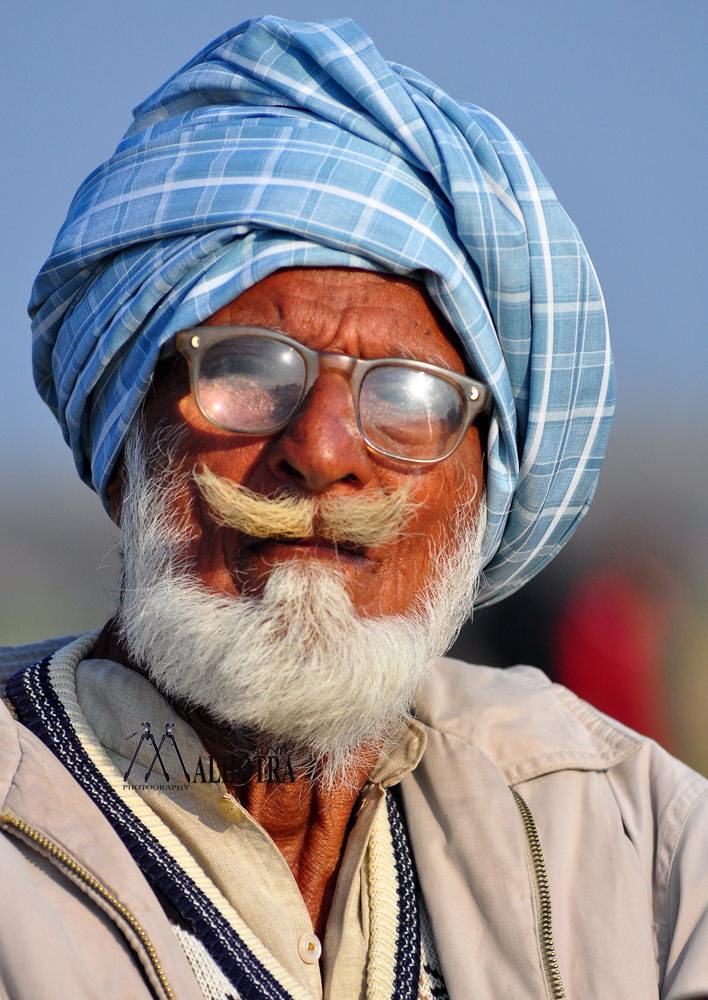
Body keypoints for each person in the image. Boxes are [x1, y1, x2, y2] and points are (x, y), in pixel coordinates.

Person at [1, 16, 706, 1000]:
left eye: (411, 397)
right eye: (245, 370)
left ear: (479, 489)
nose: (324, 451)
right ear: (129, 439)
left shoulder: (631, 838)